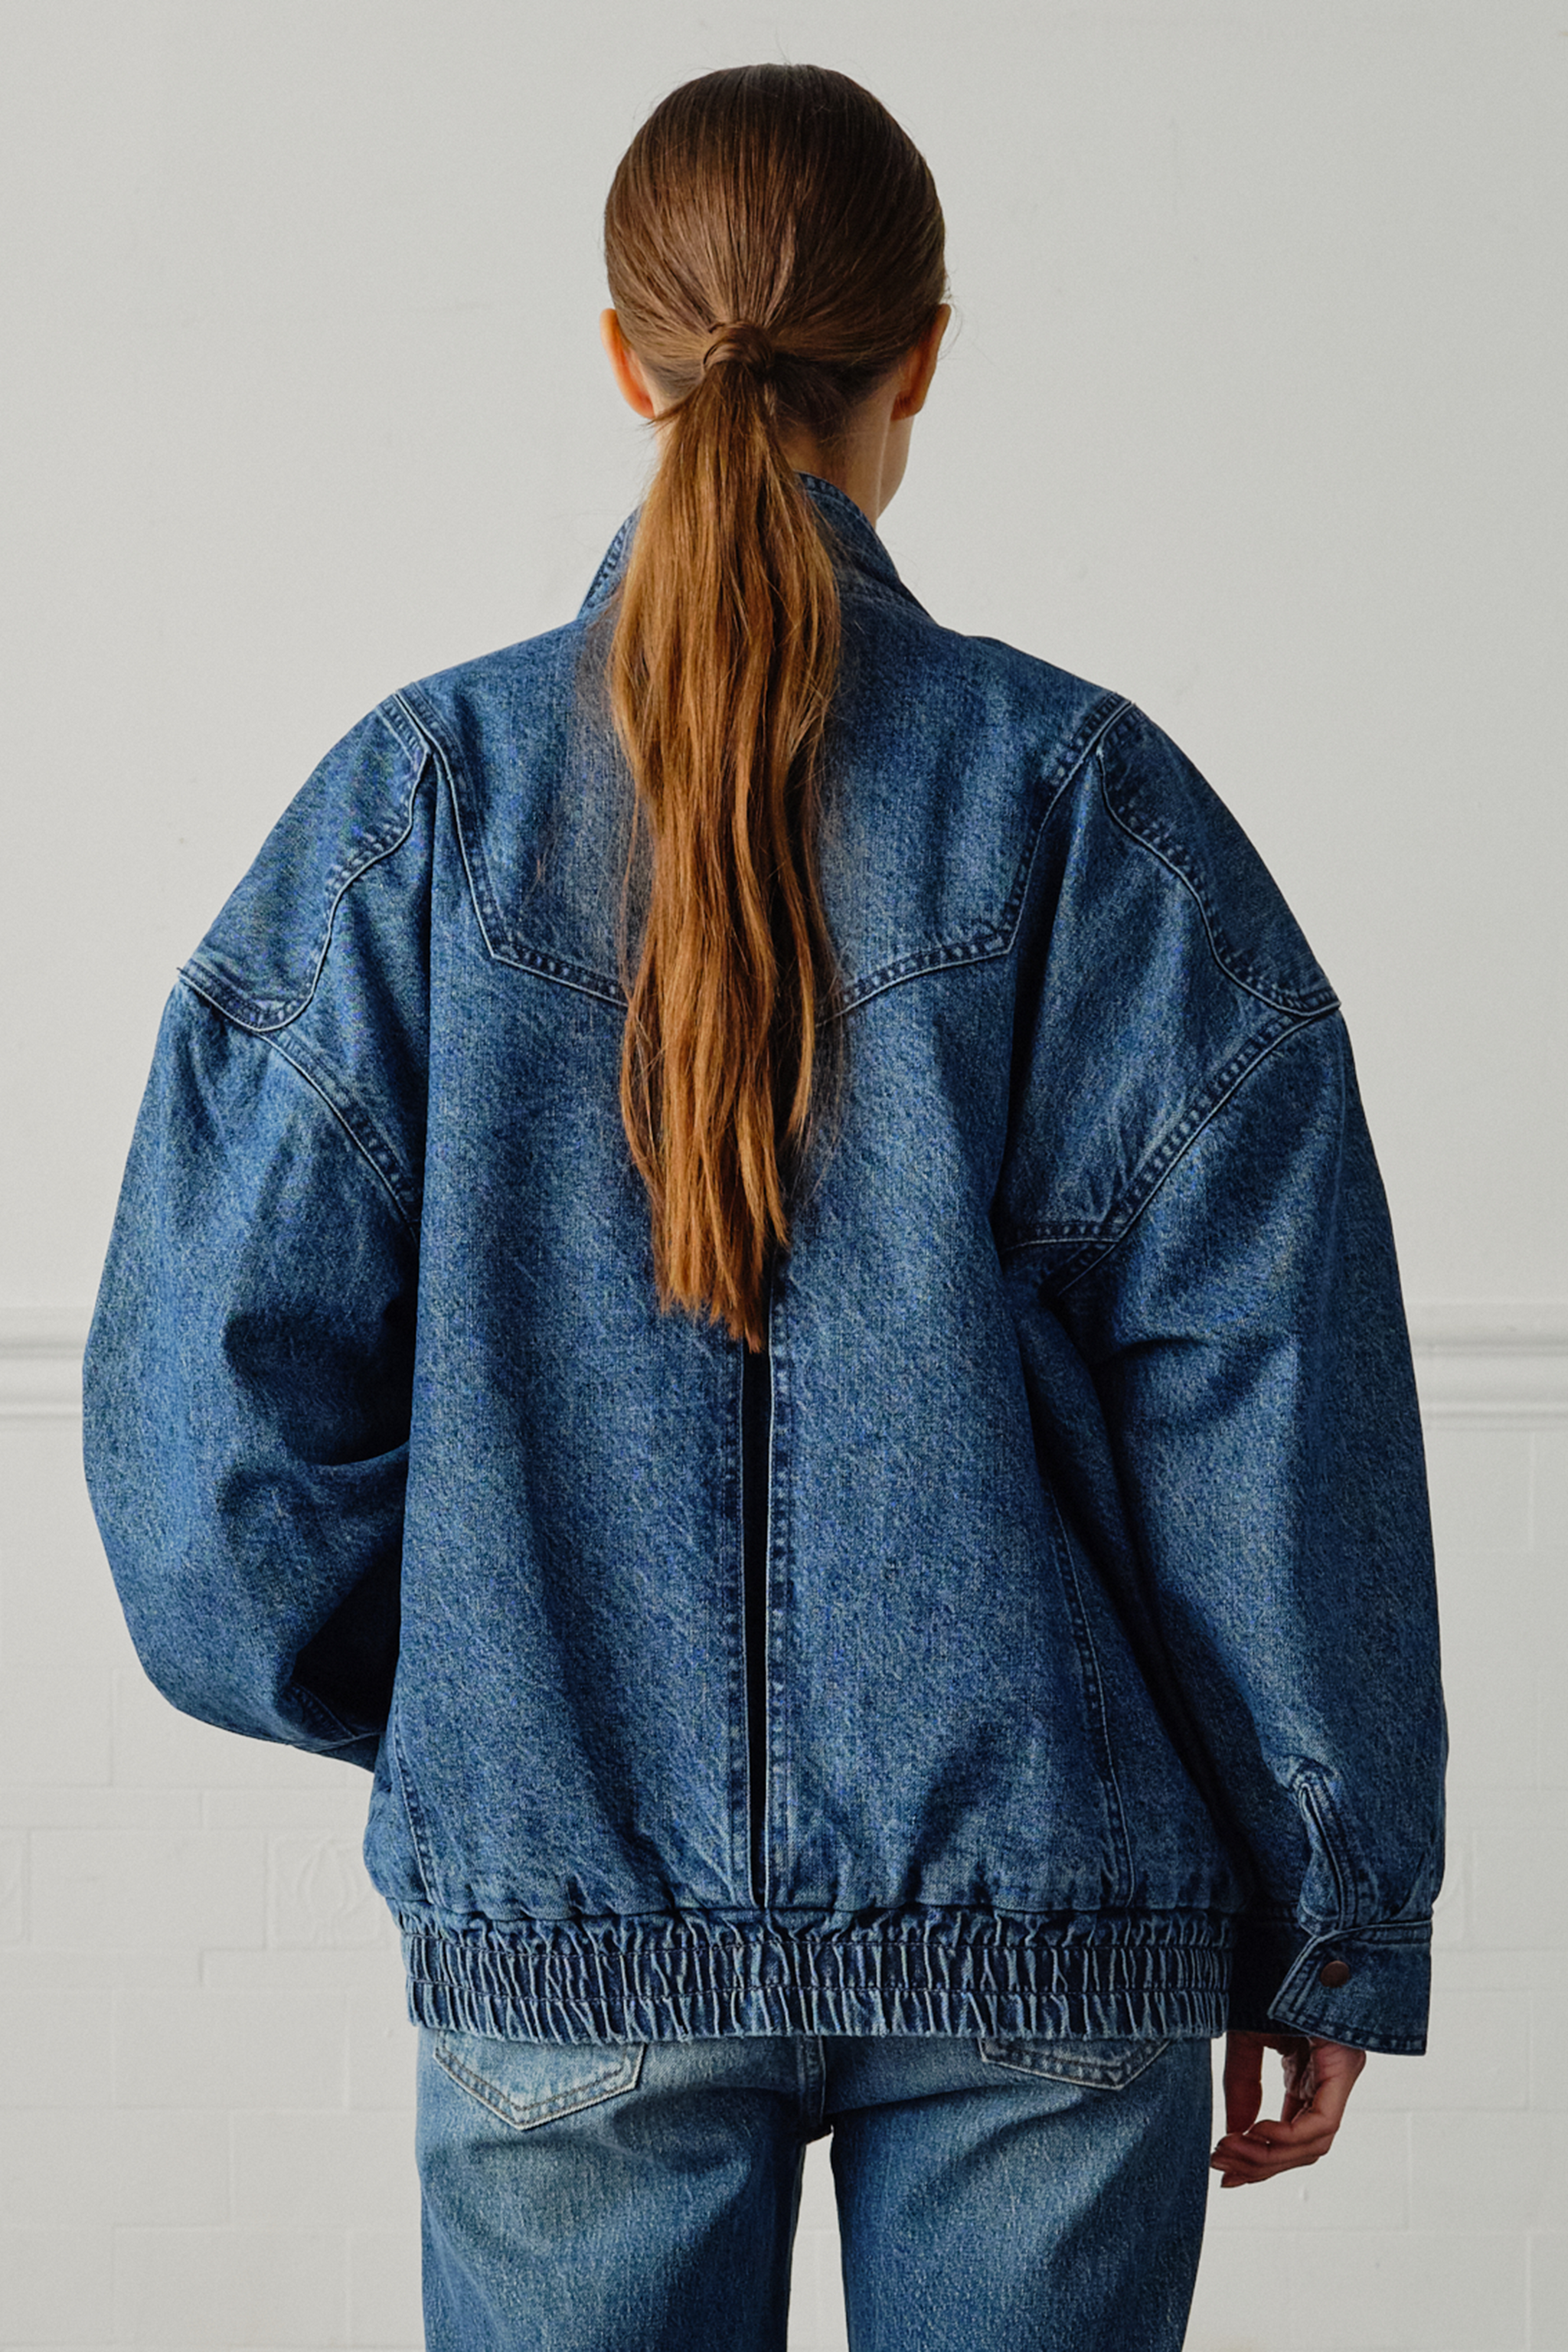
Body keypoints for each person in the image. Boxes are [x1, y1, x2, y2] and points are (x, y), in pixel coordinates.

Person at [82, 60, 1446, 2352]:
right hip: (1059, 1928)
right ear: (922, 359)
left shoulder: (416, 808)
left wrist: (483, 1701)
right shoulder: (1091, 809)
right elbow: (1268, 1400)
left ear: (629, 361)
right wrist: (1331, 1909)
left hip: (568, 1921)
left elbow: (207, 1443)